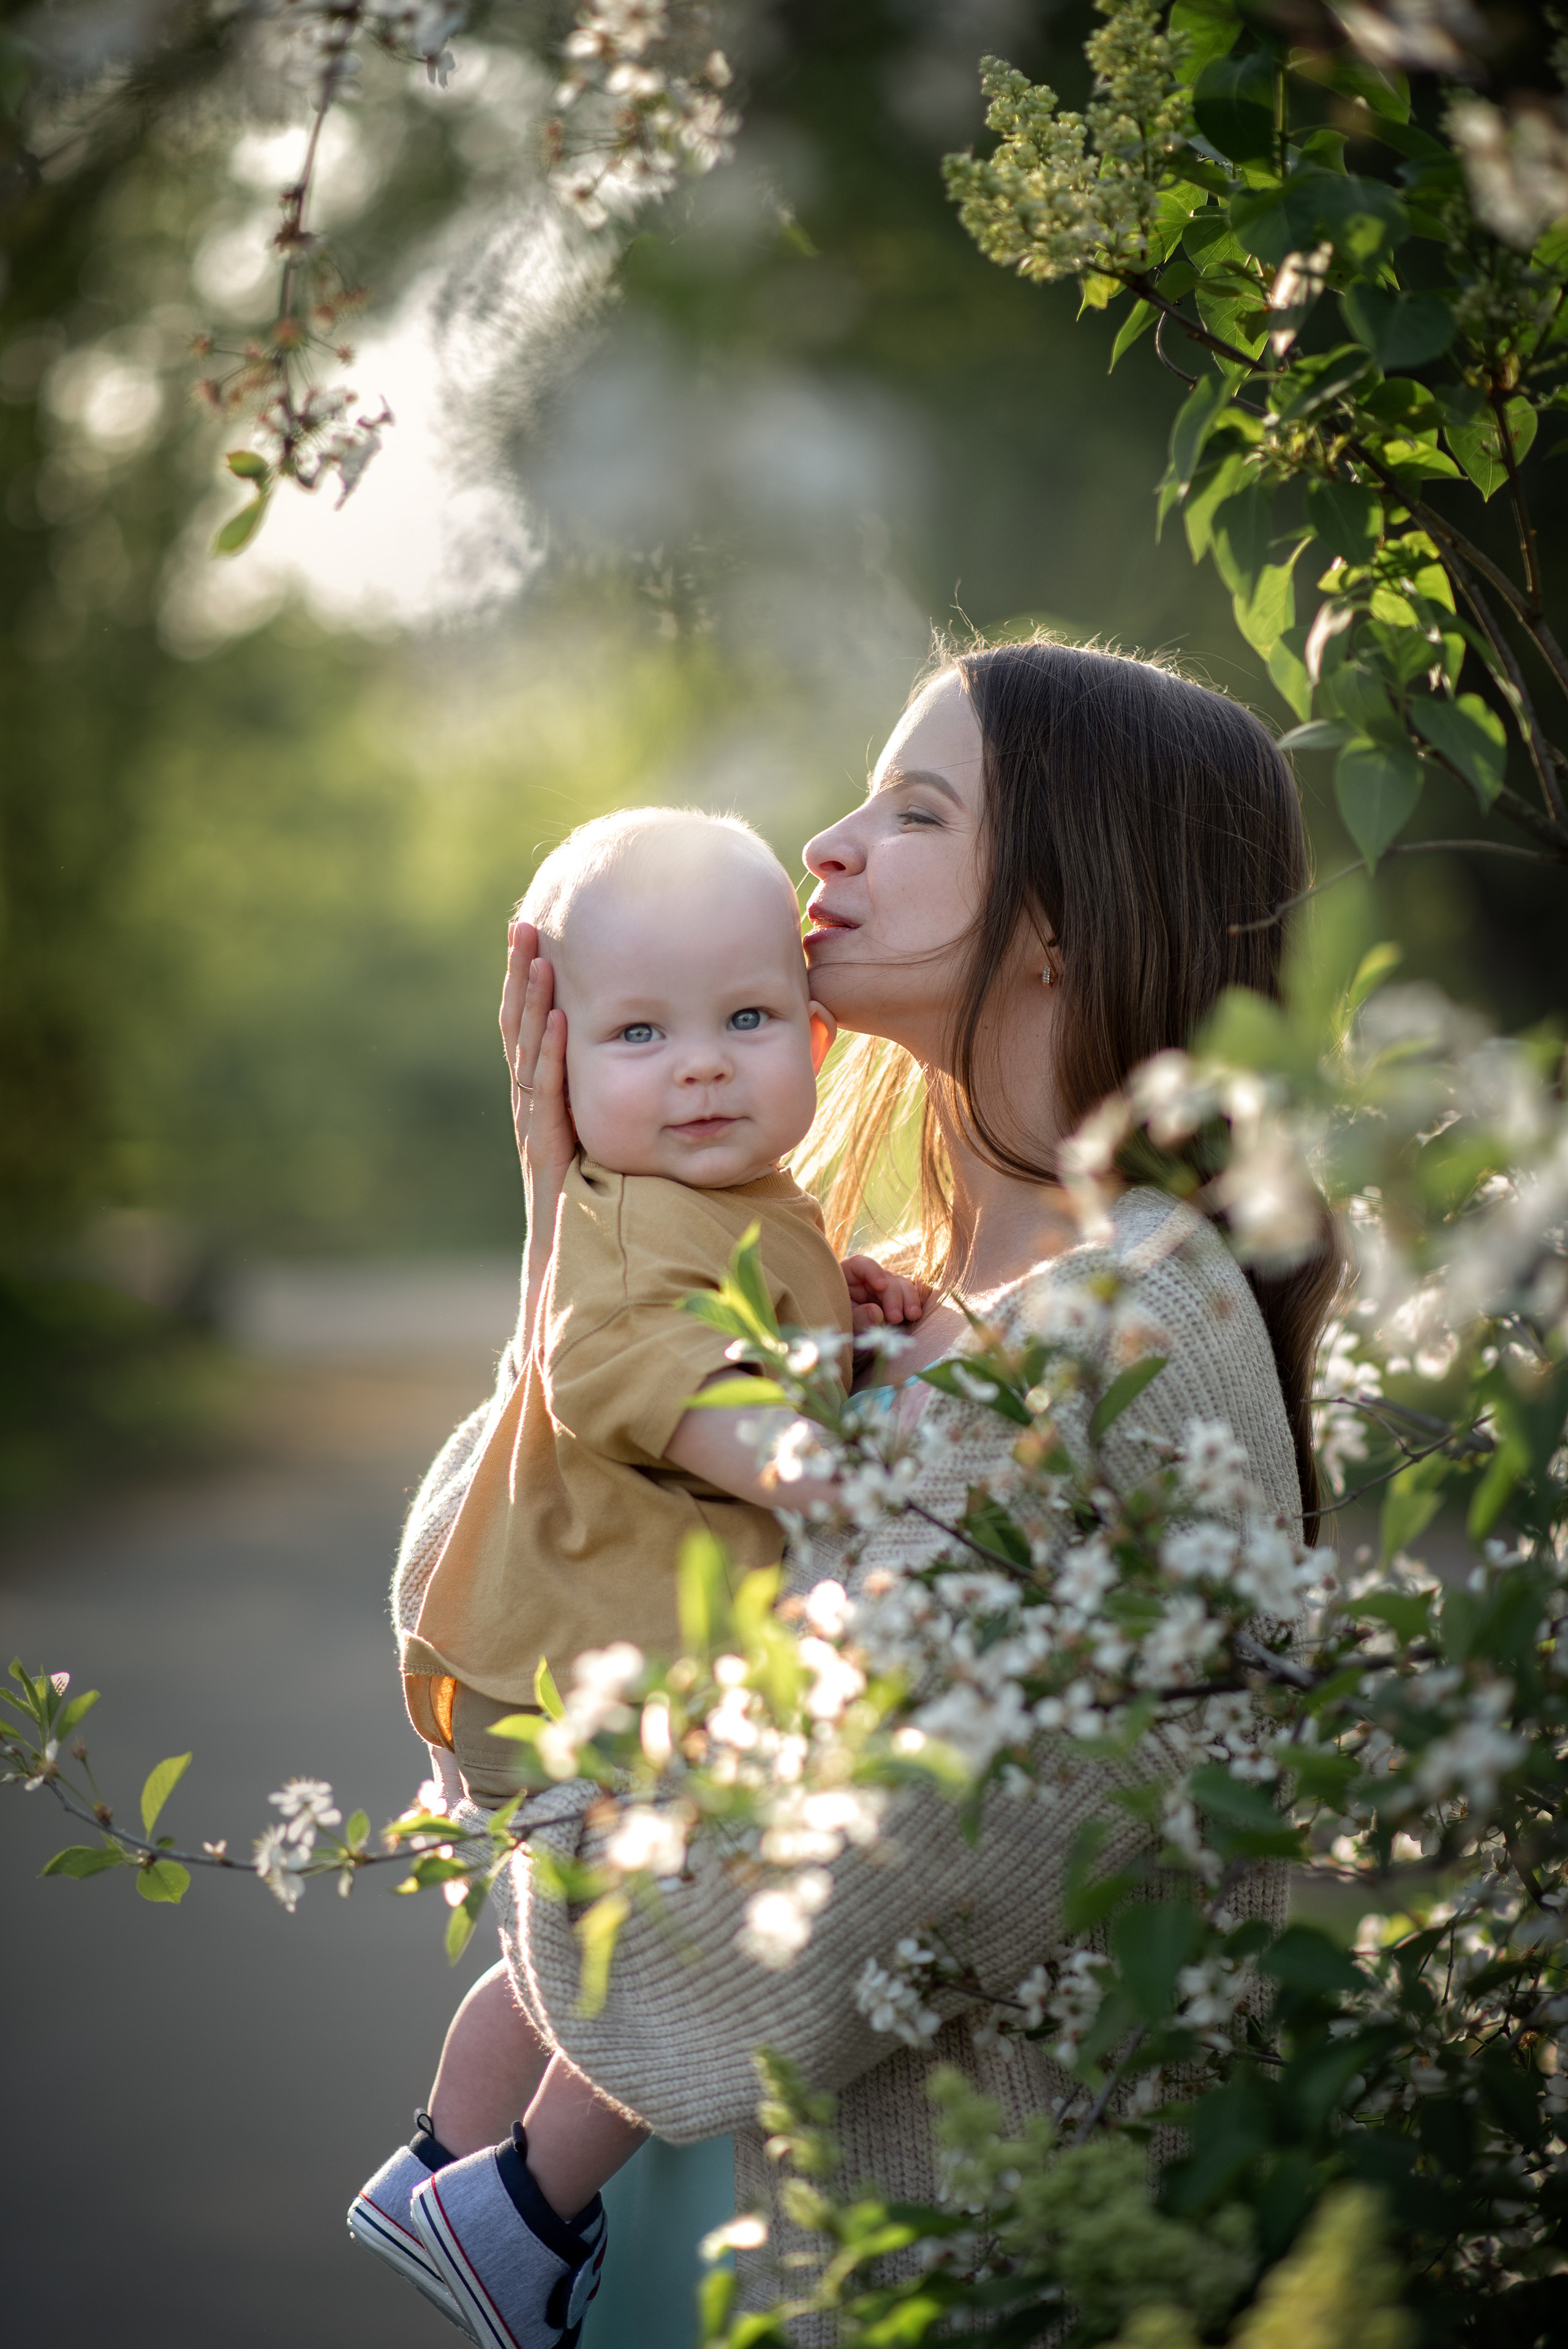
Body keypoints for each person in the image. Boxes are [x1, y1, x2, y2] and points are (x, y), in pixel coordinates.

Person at [390, 638, 1341, 2347]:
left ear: (1057, 918)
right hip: (765, 2247)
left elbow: (772, 1921)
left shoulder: (1127, 1331)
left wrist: (557, 1813)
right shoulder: (881, 1280)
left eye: (914, 811)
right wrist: (571, 1212)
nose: (825, 848)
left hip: (978, 2276)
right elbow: (487, 1577)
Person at [349, 806, 924, 2342]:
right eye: (640, 1034)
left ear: (811, 1032)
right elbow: (663, 1375)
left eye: (746, 1020)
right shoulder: (625, 1231)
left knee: (568, 1942)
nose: (701, 1068)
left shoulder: (743, 1208)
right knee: (666, 1942)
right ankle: (517, 2216)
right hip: (584, 1662)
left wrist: (844, 1320)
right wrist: (816, 1454)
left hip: (593, 1656)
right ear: (557, 1067)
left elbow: (748, 1318)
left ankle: (439, 2167)